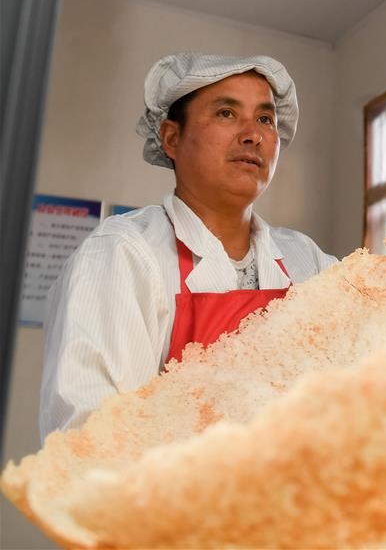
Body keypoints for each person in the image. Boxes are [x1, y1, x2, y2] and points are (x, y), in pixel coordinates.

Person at [39, 54, 337, 441]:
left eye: (265, 119)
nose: (254, 135)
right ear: (172, 139)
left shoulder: (307, 260)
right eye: (227, 113)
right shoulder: (123, 255)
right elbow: (94, 441)